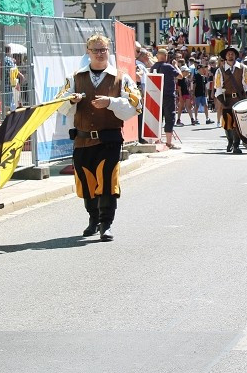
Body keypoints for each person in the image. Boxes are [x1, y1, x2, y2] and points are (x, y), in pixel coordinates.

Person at [62, 34, 142, 242]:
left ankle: (106, 224)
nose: (99, 53)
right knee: (87, 182)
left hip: (109, 139)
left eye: (103, 50)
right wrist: (71, 101)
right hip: (82, 139)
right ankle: (93, 219)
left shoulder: (121, 78)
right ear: (87, 52)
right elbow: (60, 106)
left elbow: (135, 107)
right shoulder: (75, 78)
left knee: (107, 180)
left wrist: (111, 103)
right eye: (95, 50)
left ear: (109, 51)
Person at [214, 45, 247, 154]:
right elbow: (218, 87)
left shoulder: (243, 68)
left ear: (235, 55)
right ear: (225, 57)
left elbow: (246, 83)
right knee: (227, 124)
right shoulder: (220, 70)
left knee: (237, 124)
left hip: (239, 99)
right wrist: (222, 99)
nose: (230, 55)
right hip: (226, 99)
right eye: (228, 54)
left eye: (232, 53)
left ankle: (236, 145)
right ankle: (230, 141)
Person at [151, 49, 181, 149]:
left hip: (156, 96)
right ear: (166, 56)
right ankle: (169, 142)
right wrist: (176, 66)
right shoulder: (168, 66)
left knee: (157, 118)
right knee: (169, 118)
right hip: (168, 95)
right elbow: (180, 76)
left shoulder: (153, 67)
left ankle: (157, 140)